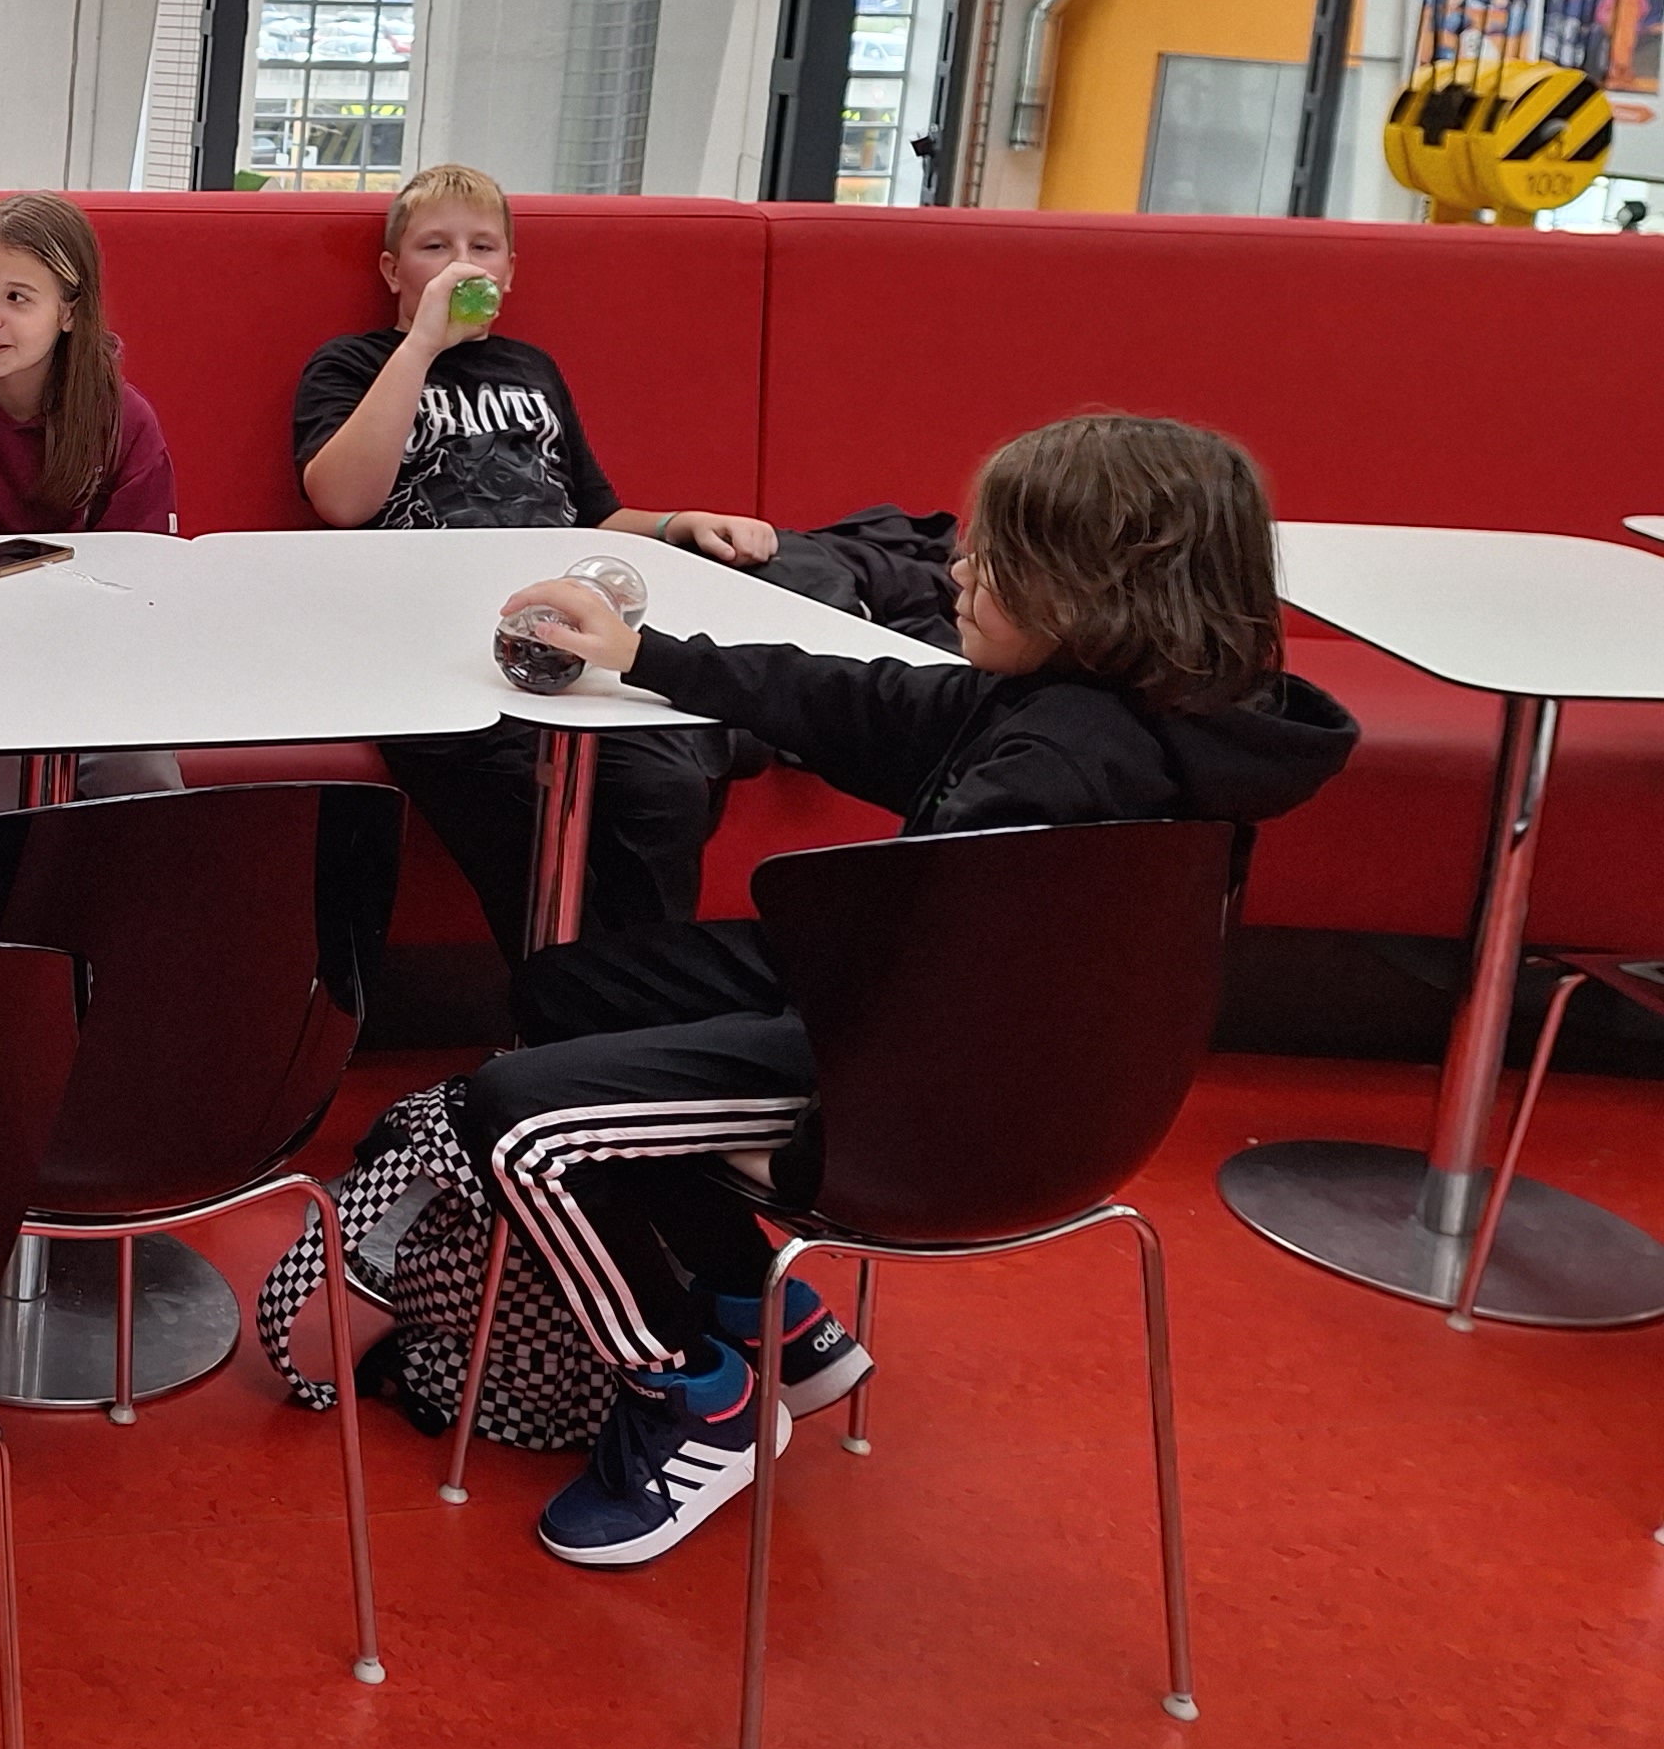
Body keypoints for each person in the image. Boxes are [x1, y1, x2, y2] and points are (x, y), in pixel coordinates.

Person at [456, 413, 1355, 1568]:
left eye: (994, 557)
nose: (954, 569)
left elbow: (907, 990)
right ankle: (763, 1303)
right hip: (986, 1025)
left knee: (517, 1115)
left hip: (937, 1095)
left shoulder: (1059, 766)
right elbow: (865, 702)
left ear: (1091, 592)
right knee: (571, 988)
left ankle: (692, 1398)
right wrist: (647, 652)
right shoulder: (1122, 712)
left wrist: (767, 1106)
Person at [291, 163, 777, 961]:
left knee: (664, 790)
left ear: (510, 272)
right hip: (429, 644)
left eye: (482, 247)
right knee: (511, 802)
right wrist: (421, 344)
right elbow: (341, 502)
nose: (461, 263)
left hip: (566, 631)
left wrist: (681, 522)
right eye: (434, 247)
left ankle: (643, 998)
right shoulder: (350, 365)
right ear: (392, 270)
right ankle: (570, 988)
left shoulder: (533, 370)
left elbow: (596, 515)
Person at [0, 191, 183, 827]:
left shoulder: (122, 421)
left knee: (142, 771)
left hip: (92, 666)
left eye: (17, 298)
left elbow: (147, 581)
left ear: (69, 312)